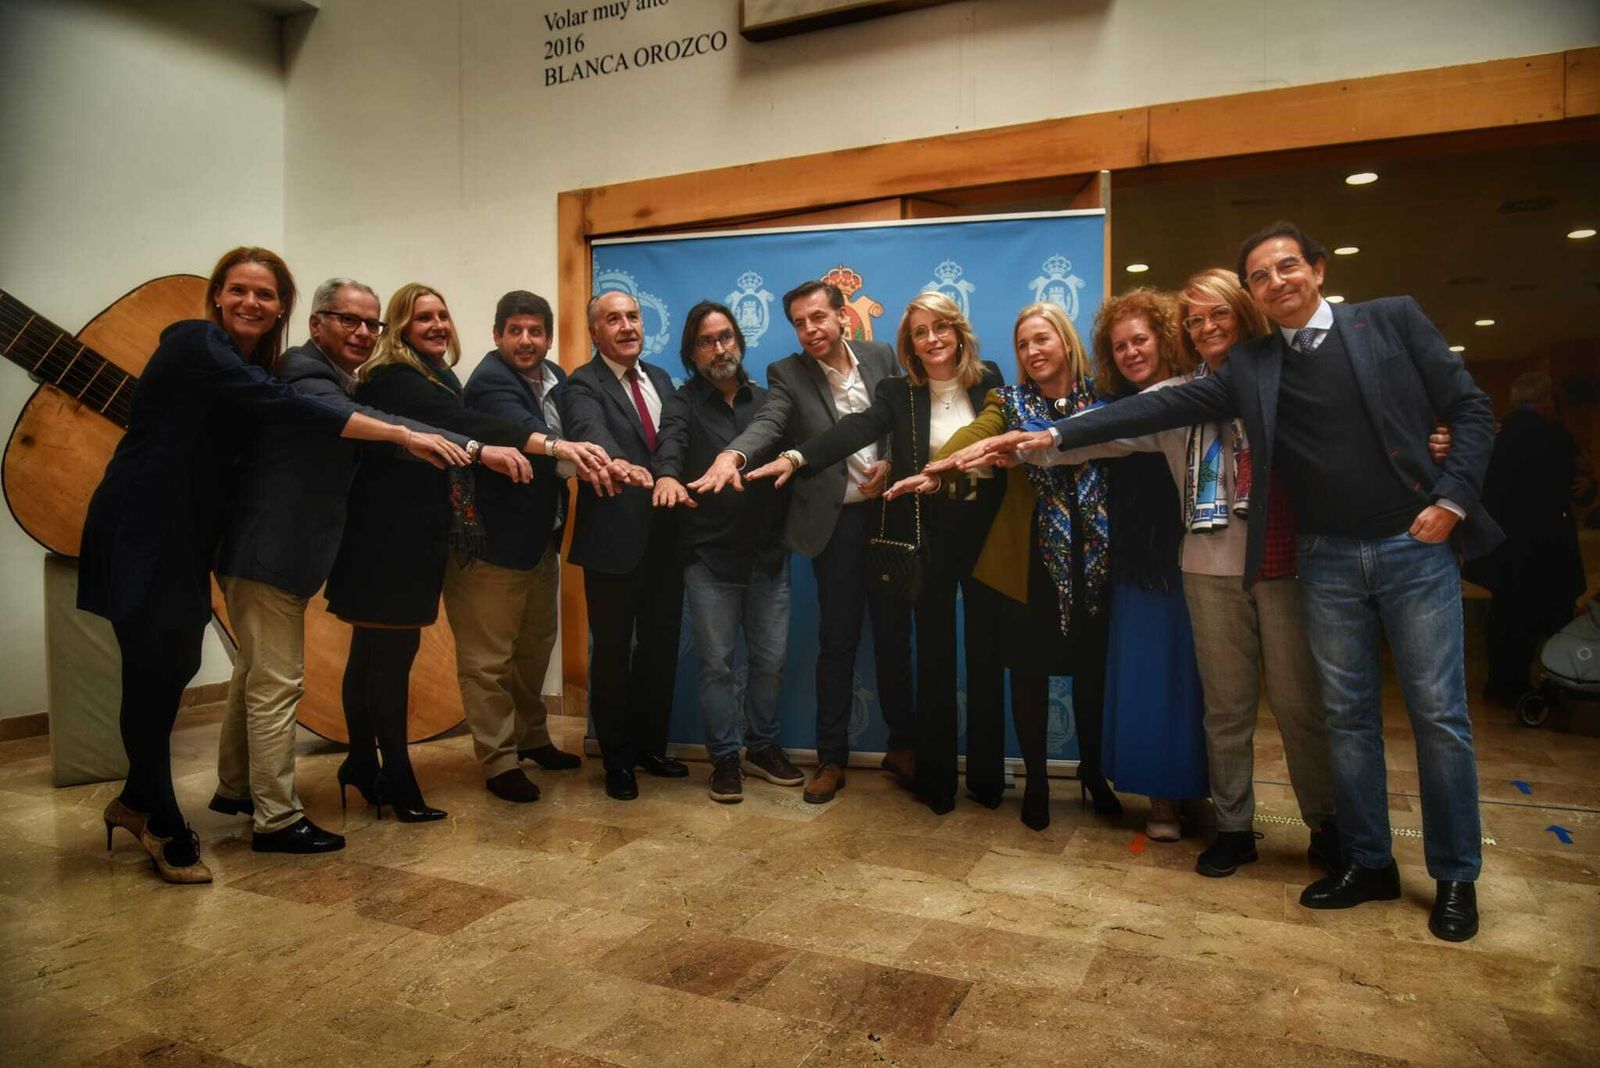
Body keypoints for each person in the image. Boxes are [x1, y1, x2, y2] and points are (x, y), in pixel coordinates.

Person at [959, 222, 1501, 942]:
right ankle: (1365, 860)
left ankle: (1454, 873)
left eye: (1286, 268)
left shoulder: (1384, 321)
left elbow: (1467, 409)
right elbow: (1147, 410)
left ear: (1316, 268)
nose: (1276, 282)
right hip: (1323, 556)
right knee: (1342, 716)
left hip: (1395, 547)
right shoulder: (1246, 371)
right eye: (1260, 275)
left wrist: (1450, 493)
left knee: (1432, 718)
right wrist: (1046, 439)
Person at [80, 248, 468, 884]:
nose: (252, 304)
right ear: (219, 295)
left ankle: (159, 798)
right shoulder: (200, 342)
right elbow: (295, 408)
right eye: (240, 291)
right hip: (142, 525)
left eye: (266, 295)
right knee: (175, 675)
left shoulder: (255, 363)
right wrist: (406, 435)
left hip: (192, 536)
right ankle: (240, 818)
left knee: (179, 670)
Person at [210, 277, 521, 853]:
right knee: (277, 685)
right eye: (347, 321)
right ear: (315, 323)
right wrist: (462, 447)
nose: (360, 333)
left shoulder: (352, 376)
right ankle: (276, 820)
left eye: (368, 324)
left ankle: (236, 788)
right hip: (272, 550)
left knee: (253, 675)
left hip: (294, 553)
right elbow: (348, 420)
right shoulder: (307, 373)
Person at [325, 283, 604, 823]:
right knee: (468, 661)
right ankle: (480, 764)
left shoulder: (445, 376)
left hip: (494, 539)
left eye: (441, 315)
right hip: (425, 541)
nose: (435, 325)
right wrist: (555, 446)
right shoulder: (420, 379)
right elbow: (480, 427)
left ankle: (377, 763)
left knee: (516, 651)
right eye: (421, 317)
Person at [746, 292, 1004, 814]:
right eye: (919, 332)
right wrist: (796, 458)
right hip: (880, 529)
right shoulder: (871, 386)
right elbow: (852, 429)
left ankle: (949, 765)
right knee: (871, 647)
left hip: (947, 525)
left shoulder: (961, 375)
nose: (930, 340)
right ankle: (874, 766)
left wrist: (912, 465)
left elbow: (973, 433)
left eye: (940, 329)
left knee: (939, 650)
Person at [891, 301, 1120, 830]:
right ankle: (1036, 781)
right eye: (1022, 344)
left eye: (1042, 339)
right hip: (1030, 562)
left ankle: (1093, 773)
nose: (1032, 352)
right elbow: (975, 436)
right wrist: (938, 468)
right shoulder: (1007, 400)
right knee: (1030, 674)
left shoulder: (1104, 399)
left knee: (1091, 673)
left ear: (1065, 342)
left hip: (1096, 558)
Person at [689, 281, 914, 805]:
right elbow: (768, 423)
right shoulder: (785, 373)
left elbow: (905, 422)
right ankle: (830, 759)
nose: (809, 330)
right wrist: (734, 456)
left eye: (818, 318)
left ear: (842, 318)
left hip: (890, 519)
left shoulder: (882, 356)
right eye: (799, 322)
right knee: (836, 644)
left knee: (895, 640)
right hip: (836, 528)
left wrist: (894, 461)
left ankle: (905, 748)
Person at [1059, 290, 1208, 841]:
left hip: (1209, 554)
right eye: (1119, 346)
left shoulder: (1201, 391)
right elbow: (1067, 445)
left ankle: (1200, 791)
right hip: (1142, 562)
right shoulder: (1109, 405)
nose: (1130, 353)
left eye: (1140, 340)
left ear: (1167, 339)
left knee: (1206, 685)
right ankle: (1161, 801)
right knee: (1151, 679)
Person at [443, 290, 594, 805]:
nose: (526, 341)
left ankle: (532, 738)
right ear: (497, 335)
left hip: (540, 543)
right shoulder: (489, 383)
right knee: (487, 662)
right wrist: (575, 453)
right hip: (492, 548)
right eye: (515, 331)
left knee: (533, 653)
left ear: (548, 335)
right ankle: (498, 760)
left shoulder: (557, 377)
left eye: (536, 331)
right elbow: (525, 433)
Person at [652, 301, 803, 804]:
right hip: (710, 558)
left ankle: (761, 747)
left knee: (770, 661)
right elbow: (669, 445)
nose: (720, 348)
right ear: (691, 353)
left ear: (740, 341)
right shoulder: (682, 402)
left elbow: (796, 453)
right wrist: (668, 475)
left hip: (768, 557)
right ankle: (723, 757)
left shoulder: (768, 399)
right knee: (716, 664)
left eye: (726, 337)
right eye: (707, 341)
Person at [560, 290, 680, 801]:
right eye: (613, 319)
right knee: (612, 653)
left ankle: (650, 747)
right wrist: (614, 461)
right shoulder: (581, 384)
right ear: (594, 333)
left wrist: (669, 473)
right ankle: (617, 760)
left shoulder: (661, 378)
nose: (627, 326)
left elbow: (674, 437)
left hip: (667, 536)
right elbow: (589, 429)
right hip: (612, 540)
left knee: (660, 649)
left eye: (633, 317)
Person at [1473, 370, 1586, 706]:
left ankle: (1502, 685)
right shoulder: (1555, 438)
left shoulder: (1497, 435)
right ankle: (1556, 686)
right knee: (1551, 618)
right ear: (1545, 400)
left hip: (1503, 546)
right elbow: (1576, 482)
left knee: (1507, 619)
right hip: (1547, 546)